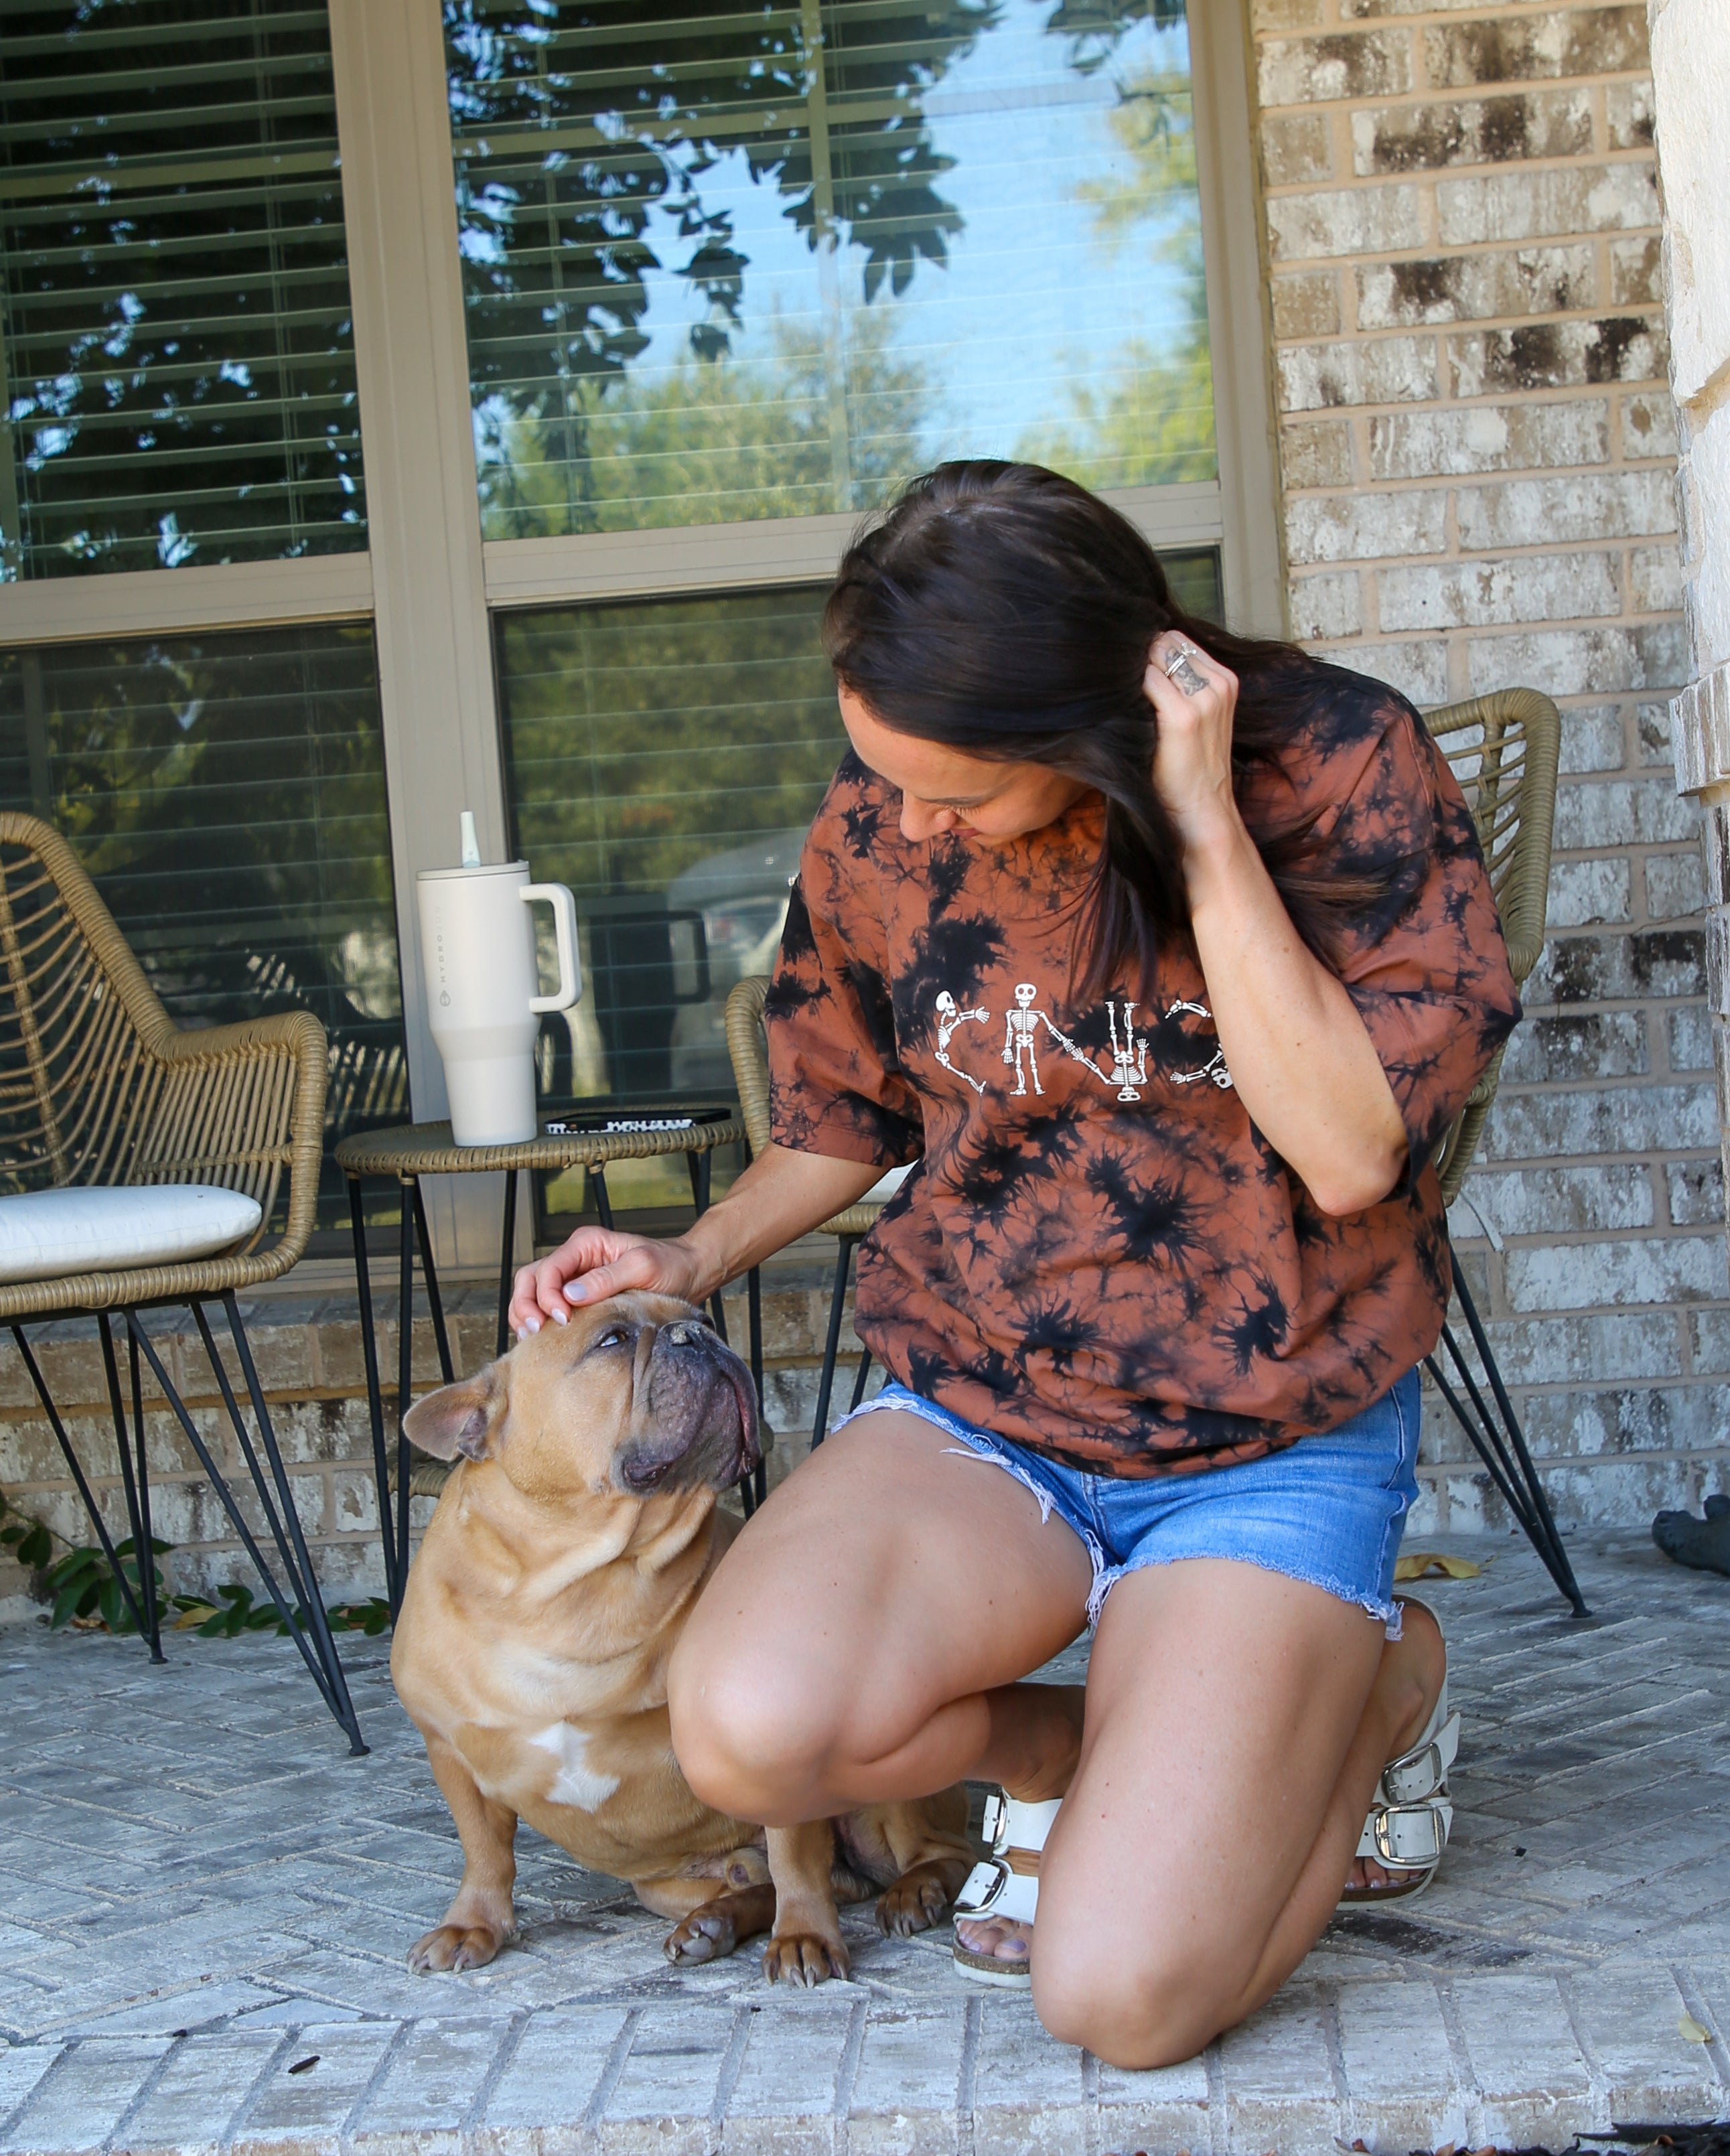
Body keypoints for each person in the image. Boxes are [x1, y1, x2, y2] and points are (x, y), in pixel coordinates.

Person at [510, 462, 1521, 2070]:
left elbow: (1346, 1149)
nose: (904, 824)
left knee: (1120, 2002)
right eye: (882, 776)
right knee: (748, 1735)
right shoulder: (878, 814)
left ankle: (1379, 1686)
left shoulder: (1335, 762)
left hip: (1266, 1438)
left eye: (956, 796)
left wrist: (1194, 819)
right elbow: (842, 1117)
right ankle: (1089, 1753)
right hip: (986, 1414)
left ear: (1081, 729)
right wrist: (685, 1250)